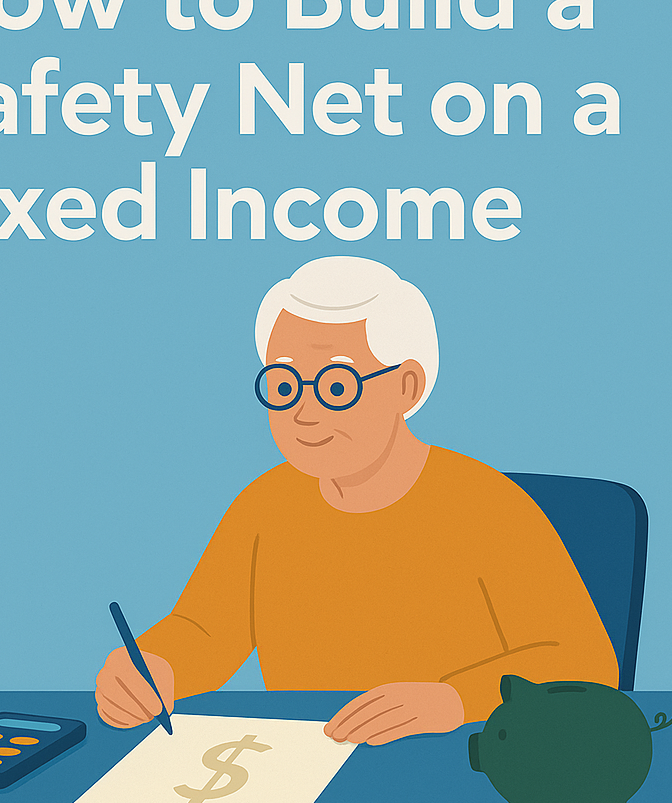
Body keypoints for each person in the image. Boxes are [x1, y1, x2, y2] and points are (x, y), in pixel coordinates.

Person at [95, 256, 618, 745]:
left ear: (406, 387)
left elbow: (583, 661)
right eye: (284, 385)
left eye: (337, 387)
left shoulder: (486, 508)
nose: (303, 413)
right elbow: (206, 632)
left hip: (459, 759)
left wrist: (455, 701)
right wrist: (155, 666)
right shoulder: (265, 505)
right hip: (304, 764)